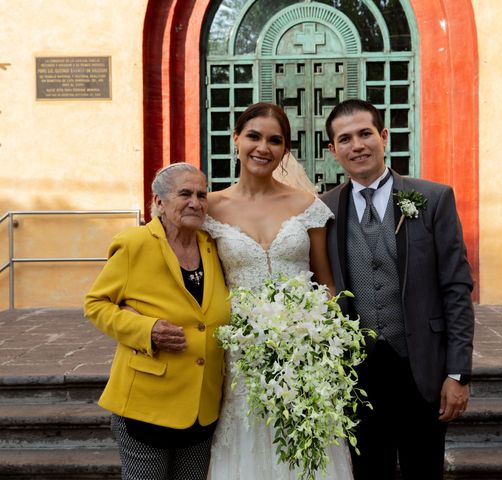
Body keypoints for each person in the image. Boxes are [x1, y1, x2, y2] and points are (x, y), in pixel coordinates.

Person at [321, 99, 475, 480]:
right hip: (357, 373)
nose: (357, 145)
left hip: (421, 365)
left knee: (424, 470)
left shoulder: (433, 198)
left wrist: (458, 373)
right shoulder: (322, 210)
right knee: (369, 471)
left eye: (365, 134)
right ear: (333, 150)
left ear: (383, 136)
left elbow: (456, 288)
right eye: (345, 139)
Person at [201, 102, 353, 479]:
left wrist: (324, 342)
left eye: (275, 140)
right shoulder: (210, 208)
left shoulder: (306, 205)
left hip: (304, 354)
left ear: (285, 150)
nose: (262, 147)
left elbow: (326, 283)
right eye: (253, 136)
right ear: (236, 139)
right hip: (241, 356)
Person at [84, 163, 230, 480]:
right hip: (147, 403)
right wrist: (146, 330)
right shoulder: (135, 243)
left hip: (202, 408)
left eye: (202, 195)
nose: (196, 202)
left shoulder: (212, 245)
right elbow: (96, 304)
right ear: (159, 202)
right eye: (185, 193)